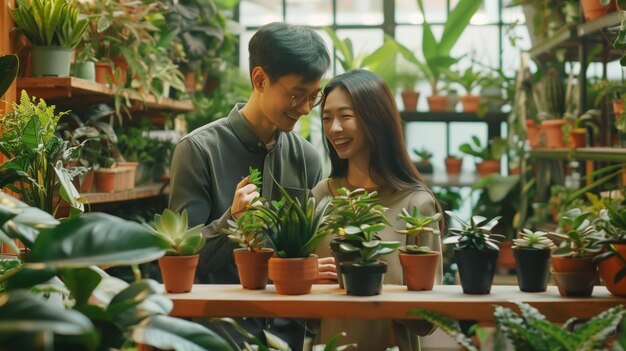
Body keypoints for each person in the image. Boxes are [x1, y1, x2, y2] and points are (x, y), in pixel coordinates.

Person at [168, 22, 333, 349]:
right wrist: (233, 221)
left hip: (289, 337)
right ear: (260, 79)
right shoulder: (198, 150)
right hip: (218, 336)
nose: (304, 108)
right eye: (296, 94)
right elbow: (181, 261)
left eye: (313, 97)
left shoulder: (308, 158)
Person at [312, 69, 444, 351]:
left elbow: (428, 321)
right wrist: (304, 281)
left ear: (375, 118)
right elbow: (308, 318)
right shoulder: (321, 196)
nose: (334, 128)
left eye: (345, 116)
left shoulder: (416, 204)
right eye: (327, 118)